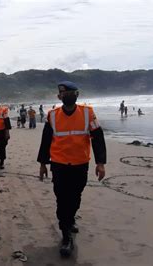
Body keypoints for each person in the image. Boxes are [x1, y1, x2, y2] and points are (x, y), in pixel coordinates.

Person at [37, 81, 106, 258]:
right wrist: (43, 164)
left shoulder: (88, 113)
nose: (65, 95)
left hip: (80, 164)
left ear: (76, 95)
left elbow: (97, 138)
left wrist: (100, 163)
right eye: (62, 93)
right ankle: (66, 235)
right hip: (59, 165)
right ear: (59, 96)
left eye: (69, 92)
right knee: (61, 198)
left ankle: (70, 218)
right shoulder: (52, 115)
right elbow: (45, 141)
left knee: (76, 196)